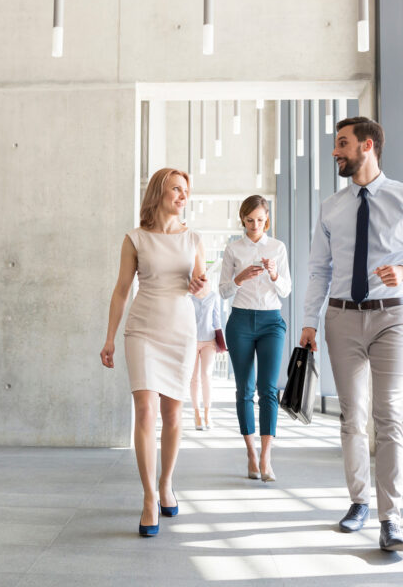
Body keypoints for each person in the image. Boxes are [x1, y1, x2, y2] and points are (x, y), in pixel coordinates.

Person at [300, 117, 403, 552]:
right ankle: (359, 501)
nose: (335, 152)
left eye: (342, 144)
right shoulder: (331, 207)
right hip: (341, 319)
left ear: (367, 146)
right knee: (352, 416)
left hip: (391, 318)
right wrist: (309, 321)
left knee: (389, 416)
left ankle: (391, 517)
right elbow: (319, 270)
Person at [100, 167, 206, 537]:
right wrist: (110, 337)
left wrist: (198, 285)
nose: (182, 195)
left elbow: (202, 289)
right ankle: (148, 498)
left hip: (180, 332)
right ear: (158, 192)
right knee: (145, 411)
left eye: (186, 190)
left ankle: (166, 484)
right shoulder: (135, 239)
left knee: (172, 414)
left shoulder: (193, 238)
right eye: (176, 188)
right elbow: (121, 290)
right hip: (142, 330)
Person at [219, 195, 291, 482]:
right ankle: (250, 452)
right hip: (240, 322)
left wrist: (274, 274)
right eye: (249, 220)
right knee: (244, 389)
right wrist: (240, 277)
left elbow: (286, 290)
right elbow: (223, 291)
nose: (254, 225)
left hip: (271, 321)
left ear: (267, 219)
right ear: (242, 220)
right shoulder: (233, 249)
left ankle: (266, 457)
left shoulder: (277, 247)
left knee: (268, 389)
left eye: (260, 220)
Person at [189, 283, 222, 430]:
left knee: (206, 376)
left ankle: (208, 413)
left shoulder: (213, 296)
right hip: (191, 341)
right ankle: (197, 414)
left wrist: (220, 341)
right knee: (194, 378)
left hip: (209, 341)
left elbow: (217, 319)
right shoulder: (188, 296)